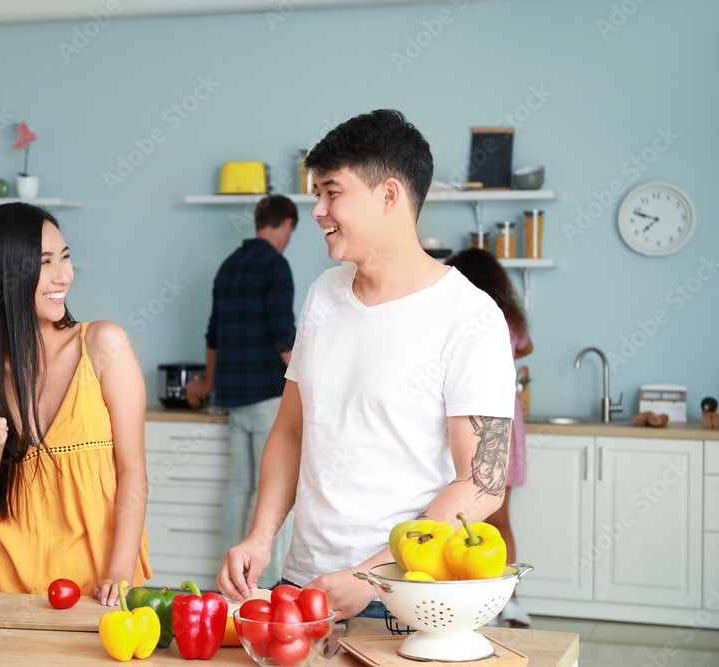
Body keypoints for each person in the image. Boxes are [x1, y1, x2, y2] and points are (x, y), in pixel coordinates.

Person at [216, 109, 516, 620]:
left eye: (332, 192)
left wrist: (372, 574)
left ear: (389, 196)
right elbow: (291, 430)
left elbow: (482, 482)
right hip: (302, 581)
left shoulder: (469, 314)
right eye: (317, 193)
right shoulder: (323, 296)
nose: (317, 209)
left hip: (402, 593)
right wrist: (260, 537)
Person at [0, 202, 151, 607]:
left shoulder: (104, 345)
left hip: (102, 588)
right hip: (7, 593)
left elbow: (134, 475)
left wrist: (120, 575)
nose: (63, 275)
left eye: (65, 257)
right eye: (44, 262)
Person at [185, 194, 298, 589]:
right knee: (274, 488)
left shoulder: (228, 267)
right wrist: (309, 377)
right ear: (286, 224)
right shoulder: (276, 265)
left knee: (241, 483)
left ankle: (232, 576)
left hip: (232, 396)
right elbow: (284, 334)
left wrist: (210, 383)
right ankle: (265, 581)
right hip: (268, 394)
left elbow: (213, 333)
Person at [446, 248, 533, 627]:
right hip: (509, 418)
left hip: (478, 420)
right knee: (501, 521)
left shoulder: (463, 314)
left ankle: (480, 601)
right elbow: (527, 347)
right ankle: (508, 601)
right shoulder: (509, 318)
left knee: (468, 522)